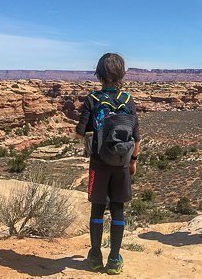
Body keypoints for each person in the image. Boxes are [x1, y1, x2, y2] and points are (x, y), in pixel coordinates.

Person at [75, 52, 141, 275]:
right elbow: (137, 136)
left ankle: (95, 256)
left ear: (99, 74)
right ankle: (114, 259)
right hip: (122, 163)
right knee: (118, 209)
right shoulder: (127, 99)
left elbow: (79, 132)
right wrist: (133, 161)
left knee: (97, 208)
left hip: (99, 162)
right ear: (121, 73)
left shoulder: (92, 99)